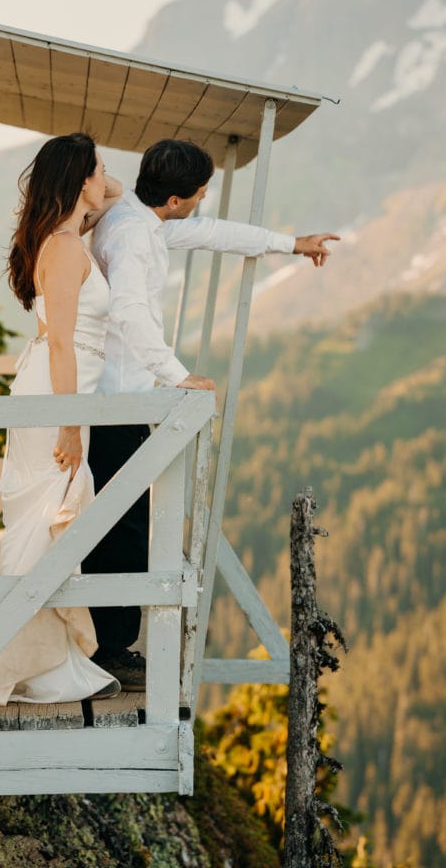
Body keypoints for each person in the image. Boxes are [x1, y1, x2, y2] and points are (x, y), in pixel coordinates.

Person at [86, 138, 340, 690]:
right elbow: (129, 311)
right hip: (115, 399)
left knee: (119, 522)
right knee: (121, 529)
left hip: (121, 394)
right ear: (175, 199)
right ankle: (110, 649)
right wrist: (178, 374)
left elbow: (211, 233)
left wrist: (291, 244)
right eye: (199, 195)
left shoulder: (141, 217)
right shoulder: (131, 235)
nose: (202, 203)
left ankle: (103, 642)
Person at [0, 133, 123, 706]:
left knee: (55, 520)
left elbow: (115, 191)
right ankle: (28, 665)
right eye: (98, 168)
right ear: (80, 178)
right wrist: (68, 424)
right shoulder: (62, 247)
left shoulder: (68, 235)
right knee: (43, 517)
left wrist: (87, 172)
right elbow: (60, 342)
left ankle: (48, 659)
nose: (107, 177)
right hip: (56, 394)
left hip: (65, 390)